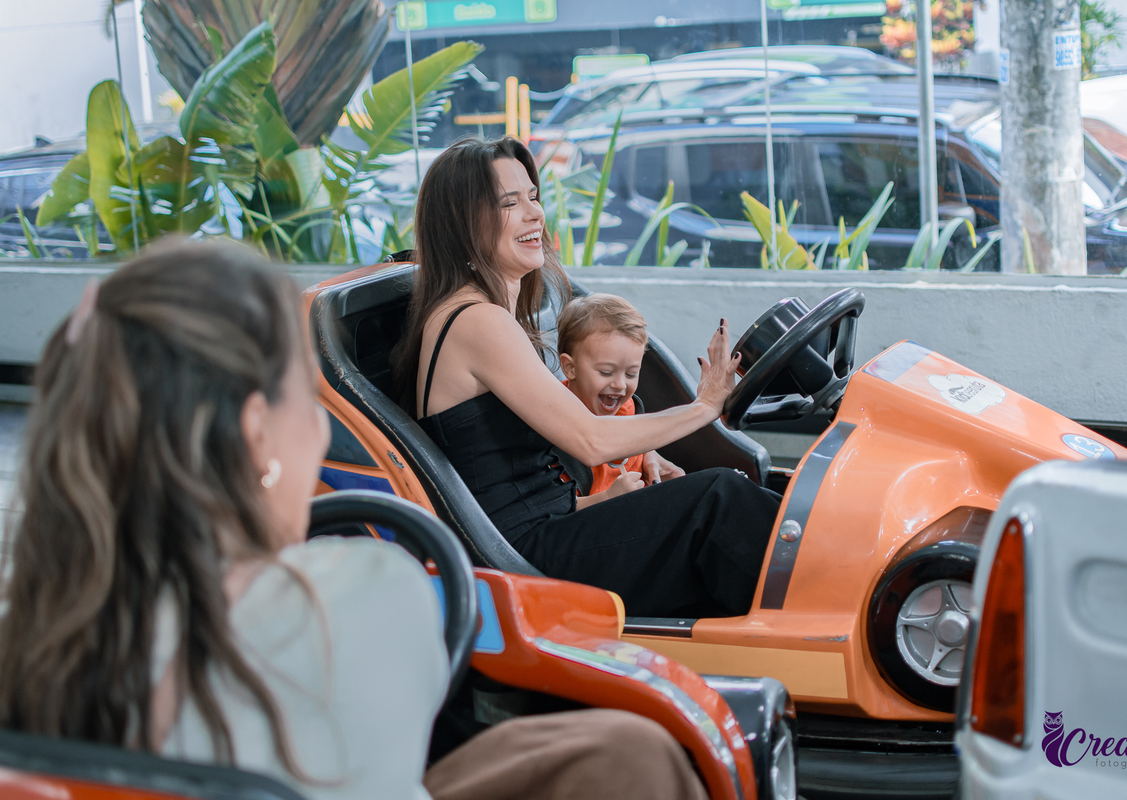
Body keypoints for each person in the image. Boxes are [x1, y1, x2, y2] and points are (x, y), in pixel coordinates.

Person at [0, 239, 705, 800]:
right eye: (303, 398)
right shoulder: (366, 590)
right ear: (256, 436)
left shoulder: (33, 631)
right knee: (636, 755)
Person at [391, 137, 781, 619]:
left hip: (550, 529)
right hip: (523, 560)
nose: (534, 214)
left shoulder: (486, 314)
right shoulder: (476, 321)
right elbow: (591, 440)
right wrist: (705, 406)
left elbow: (528, 482)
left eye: (532, 197)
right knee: (719, 498)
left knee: (735, 494)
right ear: (463, 224)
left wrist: (635, 472)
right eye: (509, 203)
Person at [557, 292, 685, 507]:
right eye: (606, 372)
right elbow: (556, 506)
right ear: (570, 367)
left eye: (631, 374)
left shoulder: (629, 407)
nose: (620, 385)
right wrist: (606, 498)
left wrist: (648, 454)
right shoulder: (554, 426)